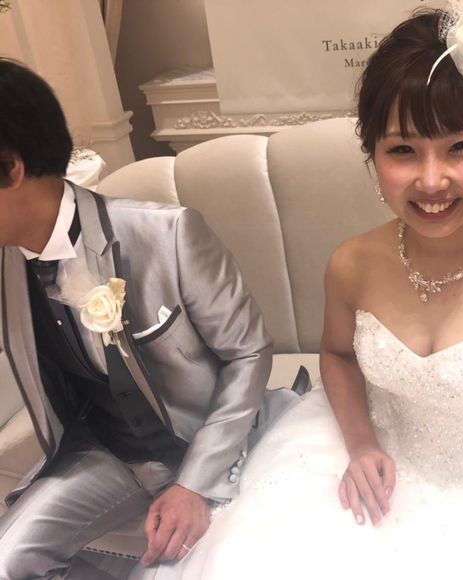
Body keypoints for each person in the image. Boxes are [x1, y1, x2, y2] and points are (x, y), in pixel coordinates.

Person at [141, 1, 463, 579]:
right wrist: (362, 444)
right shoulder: (353, 263)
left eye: (459, 147)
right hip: (371, 475)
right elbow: (339, 354)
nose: (431, 179)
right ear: (373, 157)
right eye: (403, 150)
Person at [0, 58, 304, 579]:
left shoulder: (167, 234)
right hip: (108, 452)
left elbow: (248, 351)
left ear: (11, 168)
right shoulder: (9, 266)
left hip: (202, 438)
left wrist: (194, 484)